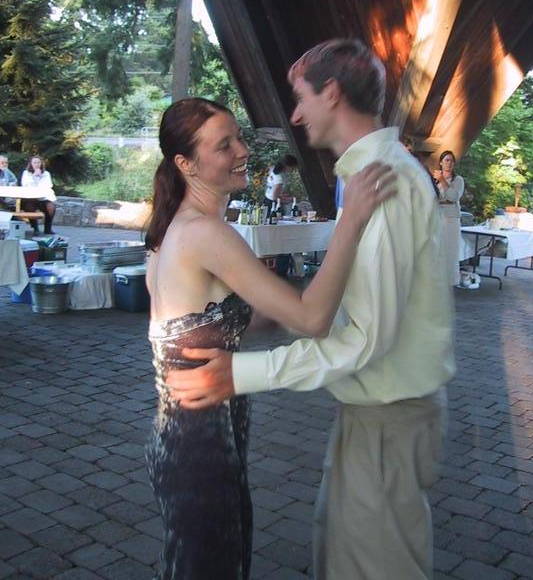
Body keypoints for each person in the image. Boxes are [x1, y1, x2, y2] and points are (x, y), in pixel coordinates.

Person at [167, 38, 456, 580]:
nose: (296, 116)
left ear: (333, 93)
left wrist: (242, 373)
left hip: (388, 417)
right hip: (375, 414)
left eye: (301, 98)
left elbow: (366, 339)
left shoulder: (382, 182)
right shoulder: (368, 177)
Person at [143, 96, 394, 580]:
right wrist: (352, 219)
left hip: (182, 442)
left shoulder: (175, 227)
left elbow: (208, 321)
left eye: (239, 137)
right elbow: (312, 319)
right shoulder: (205, 233)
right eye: (224, 145)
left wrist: (274, 315)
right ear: (185, 163)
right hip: (200, 450)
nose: (242, 150)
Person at [433, 150, 465, 286]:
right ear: (441, 162)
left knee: (450, 249)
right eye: (446, 160)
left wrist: (442, 181)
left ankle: (451, 280)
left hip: (451, 218)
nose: (449, 163)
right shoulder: (434, 180)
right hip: (436, 217)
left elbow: (453, 197)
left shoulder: (458, 180)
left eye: (452, 161)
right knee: (436, 248)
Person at [20, 155, 56, 234]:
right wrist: (34, 176)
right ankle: (35, 227)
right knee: (30, 207)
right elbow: (25, 185)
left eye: (38, 162)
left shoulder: (46, 174)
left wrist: (40, 177)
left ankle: (48, 229)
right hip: (30, 197)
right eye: (35, 162)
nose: (36, 164)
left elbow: (48, 185)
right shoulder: (26, 173)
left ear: (41, 163)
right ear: (31, 164)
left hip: (43, 197)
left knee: (51, 207)